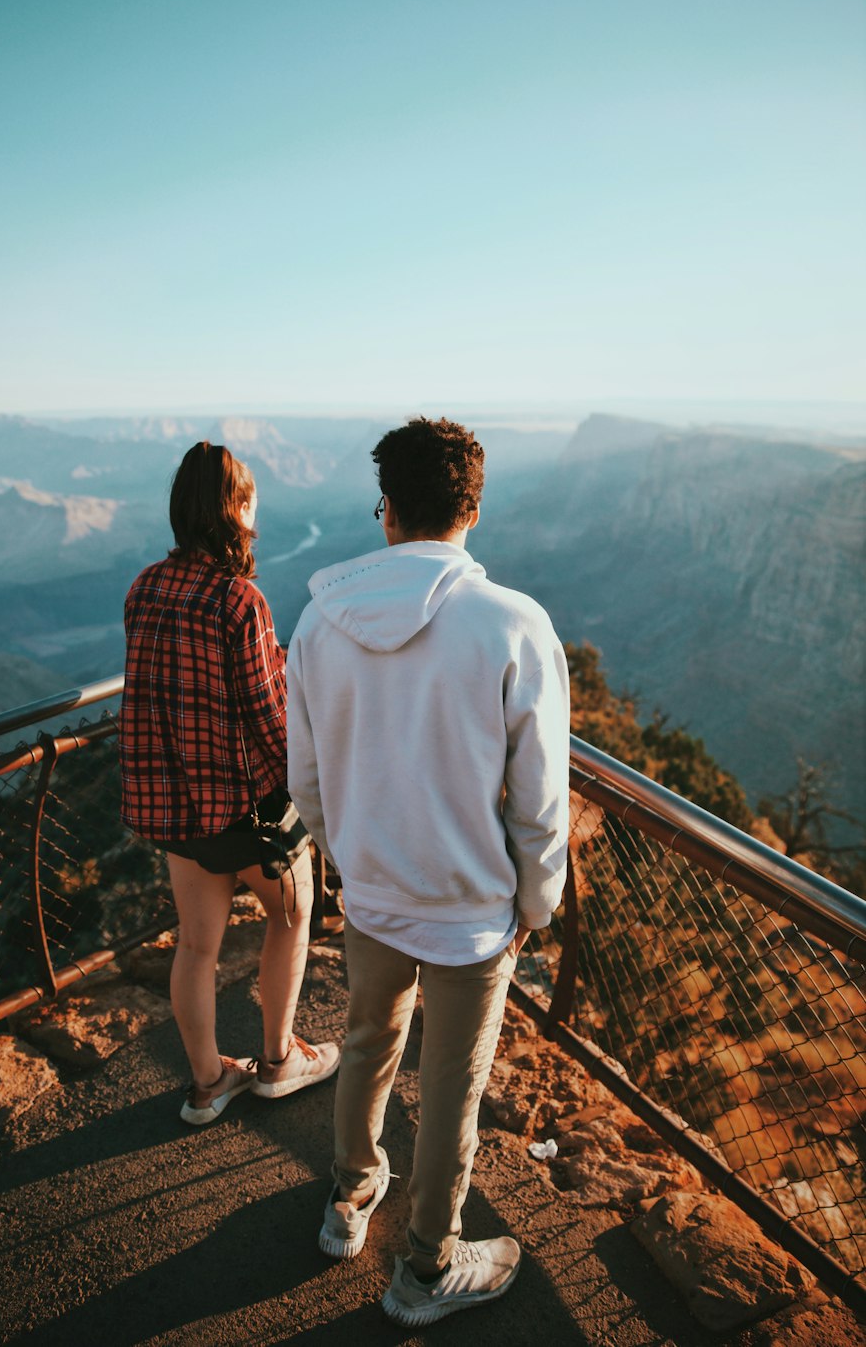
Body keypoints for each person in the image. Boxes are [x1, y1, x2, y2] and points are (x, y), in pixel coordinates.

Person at [286, 416, 569, 1327]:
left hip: (371, 894)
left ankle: (348, 1200)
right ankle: (426, 1269)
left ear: (387, 510)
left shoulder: (318, 622)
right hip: (470, 912)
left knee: (366, 1046)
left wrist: (346, 859)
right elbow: (539, 800)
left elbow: (308, 777)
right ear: (473, 511)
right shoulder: (514, 626)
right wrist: (537, 900)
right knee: (453, 1086)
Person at [119, 440, 339, 1126]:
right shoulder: (240, 601)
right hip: (244, 815)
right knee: (293, 915)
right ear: (236, 509)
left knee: (197, 945)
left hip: (174, 811)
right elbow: (269, 720)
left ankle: (210, 1082)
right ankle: (277, 1062)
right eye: (252, 505)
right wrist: (314, 786)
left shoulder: (144, 587)